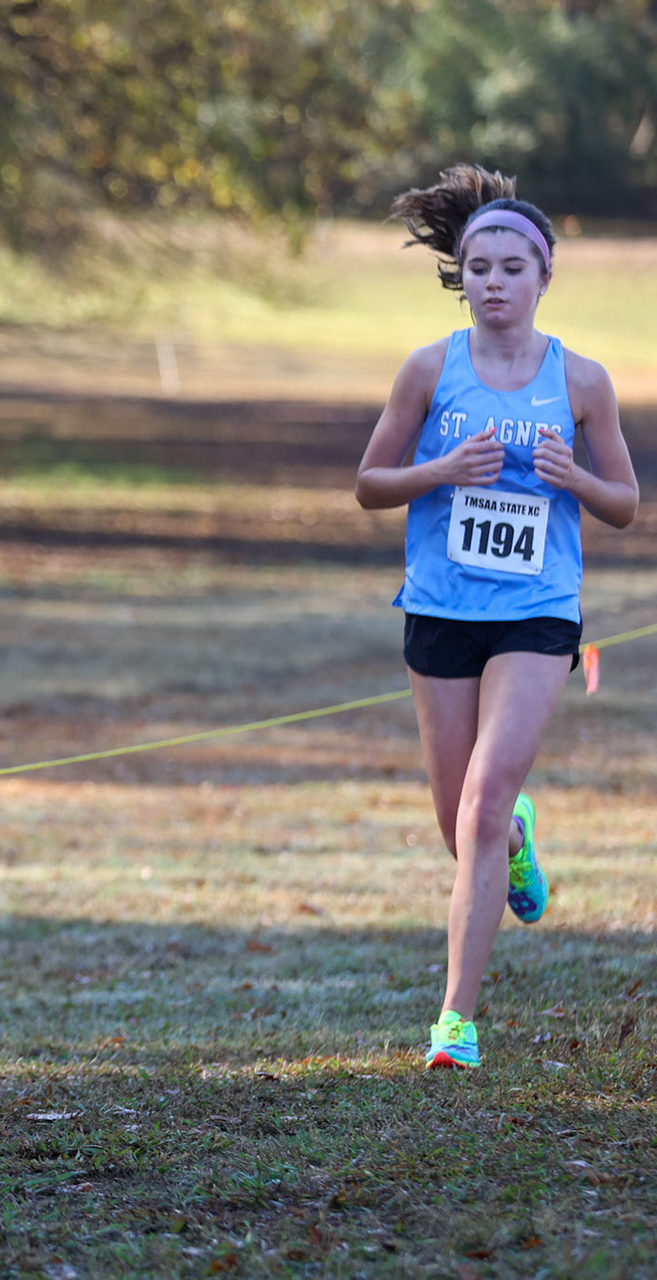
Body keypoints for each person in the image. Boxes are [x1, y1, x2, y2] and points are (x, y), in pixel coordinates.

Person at [356, 165, 638, 1070]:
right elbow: (369, 485)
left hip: (538, 616)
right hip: (440, 610)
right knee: (463, 825)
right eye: (478, 266)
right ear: (461, 274)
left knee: (479, 804)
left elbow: (627, 503)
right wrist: (441, 472)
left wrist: (575, 480)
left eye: (512, 267)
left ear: (544, 274)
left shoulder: (583, 382)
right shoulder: (430, 370)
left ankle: (454, 1025)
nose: (493, 282)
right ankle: (516, 841)